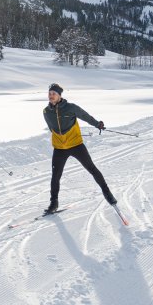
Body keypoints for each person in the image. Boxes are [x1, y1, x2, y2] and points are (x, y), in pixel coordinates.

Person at [43, 83, 117, 214]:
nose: (51, 96)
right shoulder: (46, 111)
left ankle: (108, 194)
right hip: (59, 147)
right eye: (49, 94)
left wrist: (97, 124)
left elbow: (85, 116)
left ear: (60, 95)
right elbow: (51, 127)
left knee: (92, 169)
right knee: (55, 176)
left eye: (54, 93)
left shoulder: (71, 108)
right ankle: (53, 203)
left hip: (76, 144)